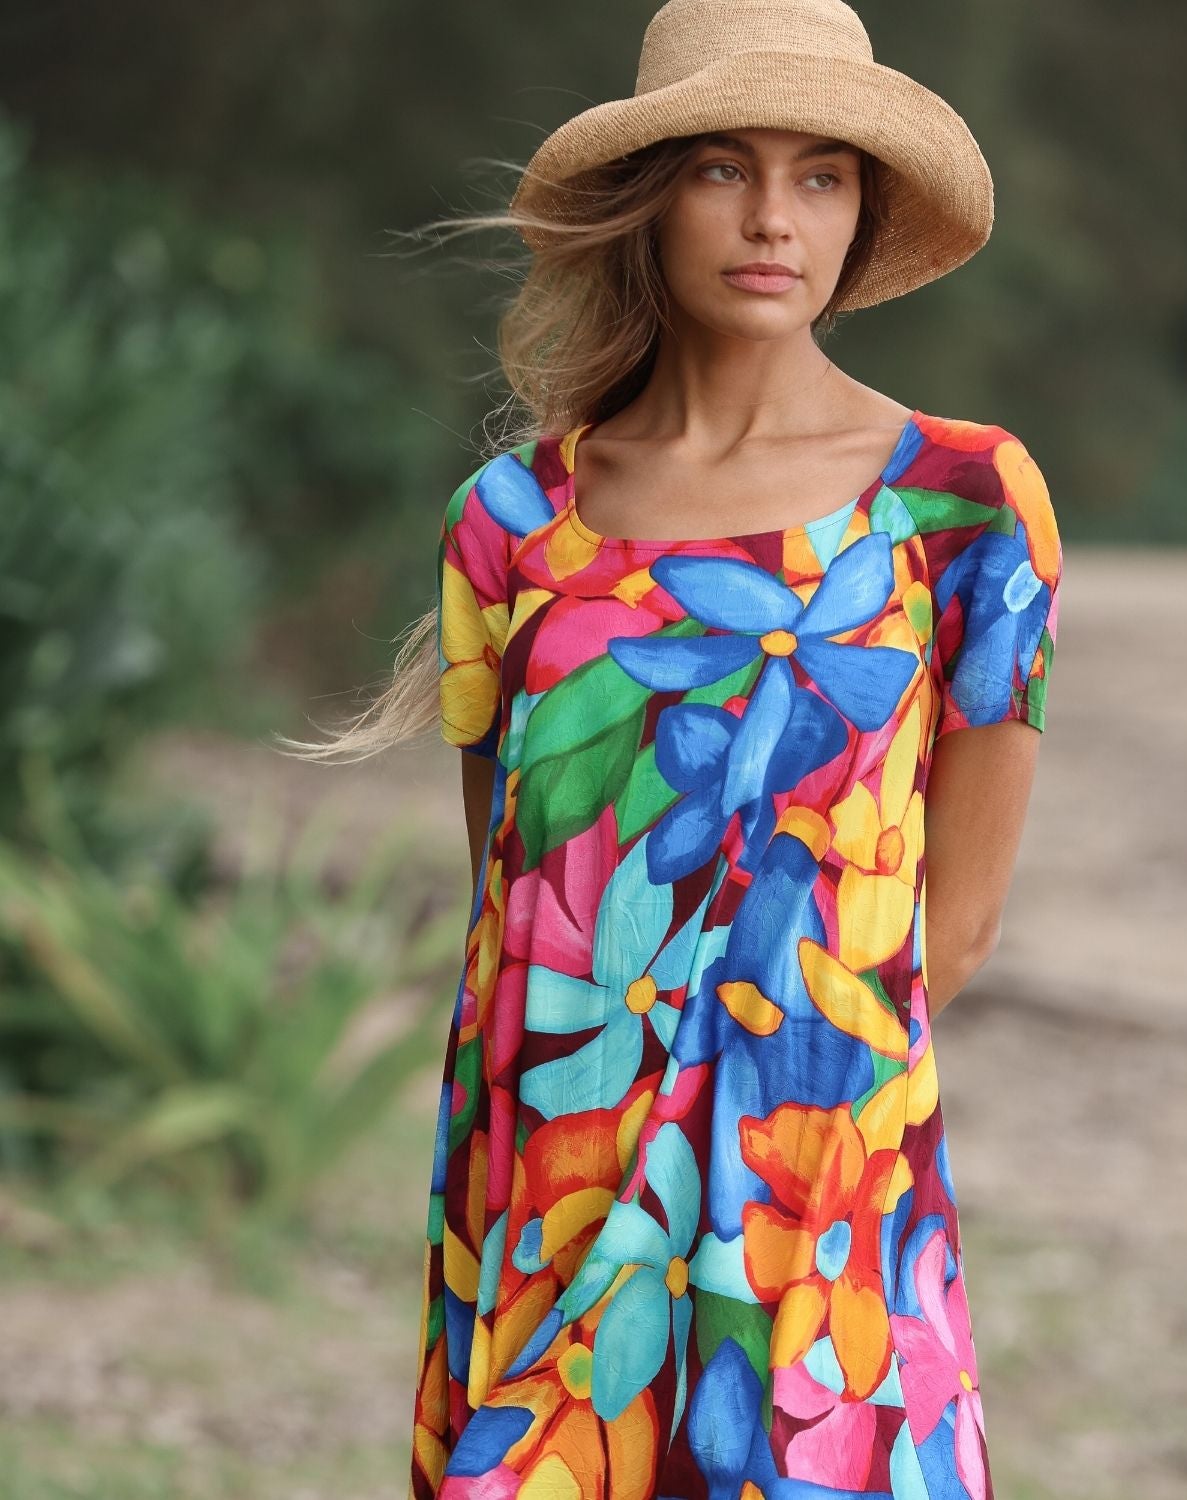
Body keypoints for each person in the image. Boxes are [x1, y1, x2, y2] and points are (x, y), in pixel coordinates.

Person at [283, 1, 1062, 1495]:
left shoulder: (963, 505)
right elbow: (522, 904)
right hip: (553, 1161)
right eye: (723, 167)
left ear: (863, 211)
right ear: (653, 201)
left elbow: (954, 923)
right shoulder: (510, 524)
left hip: (810, 1176)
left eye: (821, 175)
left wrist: (770, 1121)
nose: (774, 217)